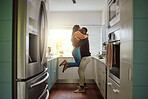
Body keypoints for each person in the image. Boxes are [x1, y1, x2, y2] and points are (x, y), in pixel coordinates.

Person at [74, 27, 91, 93]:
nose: (81, 32)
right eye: (80, 31)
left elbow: (77, 44)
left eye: (83, 31)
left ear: (85, 32)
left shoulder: (85, 38)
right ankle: (84, 84)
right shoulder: (83, 38)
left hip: (86, 57)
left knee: (80, 71)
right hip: (85, 57)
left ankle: (82, 88)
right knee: (82, 71)